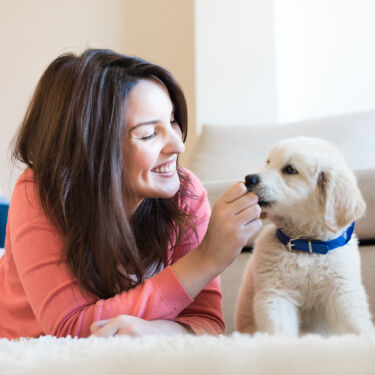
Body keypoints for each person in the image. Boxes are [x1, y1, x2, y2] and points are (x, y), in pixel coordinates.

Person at [0, 49, 261, 339]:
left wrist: (154, 332)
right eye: (149, 134)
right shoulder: (41, 191)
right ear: (91, 149)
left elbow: (207, 324)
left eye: (173, 121)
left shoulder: (186, 193)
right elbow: (68, 329)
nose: (178, 145)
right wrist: (205, 259)